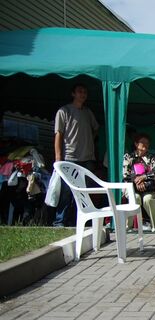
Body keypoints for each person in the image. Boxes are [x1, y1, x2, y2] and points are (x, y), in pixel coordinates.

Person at [53, 83, 99, 227]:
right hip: (70, 157)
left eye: (85, 92)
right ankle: (60, 221)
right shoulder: (64, 111)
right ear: (73, 94)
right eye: (79, 91)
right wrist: (58, 157)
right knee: (67, 191)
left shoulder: (88, 112)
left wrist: (89, 141)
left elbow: (95, 129)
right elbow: (58, 135)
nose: (83, 94)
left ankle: (80, 220)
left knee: (85, 192)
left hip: (87, 158)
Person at [123, 133, 155, 232]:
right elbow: (126, 175)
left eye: (147, 143)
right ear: (136, 144)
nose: (145, 145)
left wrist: (144, 177)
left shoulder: (153, 157)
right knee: (136, 198)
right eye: (142, 142)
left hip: (149, 186)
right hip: (132, 186)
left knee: (147, 199)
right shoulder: (128, 157)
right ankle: (129, 226)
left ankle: (154, 225)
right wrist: (137, 181)